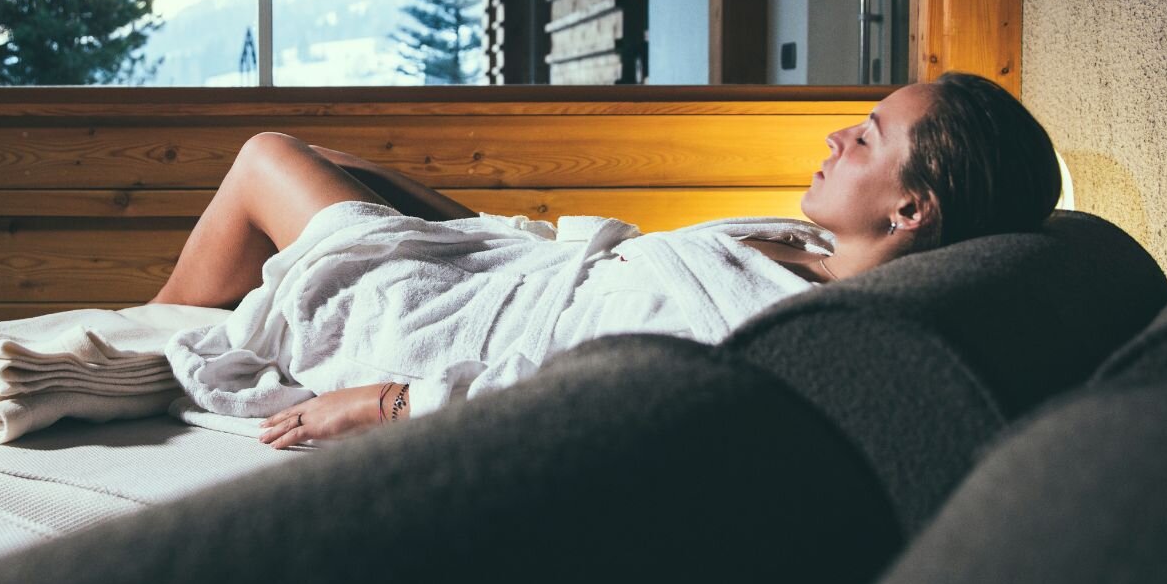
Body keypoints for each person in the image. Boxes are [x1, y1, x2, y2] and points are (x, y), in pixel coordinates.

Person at [152, 72, 1060, 449]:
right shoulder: (814, 250)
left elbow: (571, 398)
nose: (834, 134)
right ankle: (145, 326)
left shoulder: (755, 329)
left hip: (448, 327)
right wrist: (459, 221)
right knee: (347, 170)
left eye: (863, 138)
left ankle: (136, 334)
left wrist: (386, 402)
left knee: (266, 156)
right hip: (510, 271)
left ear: (911, 209)